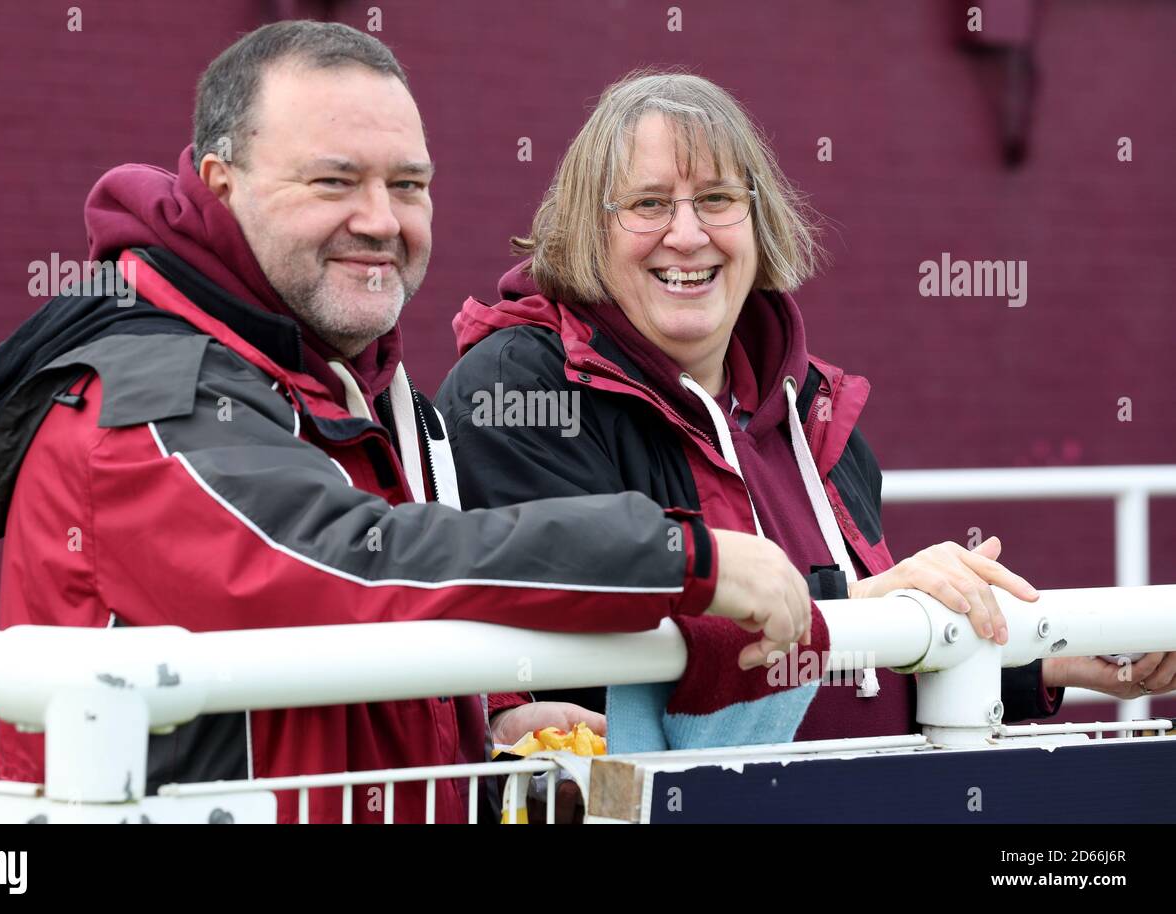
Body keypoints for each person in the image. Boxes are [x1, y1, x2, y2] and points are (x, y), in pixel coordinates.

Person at [0, 24, 816, 824]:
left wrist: (485, 715)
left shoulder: (366, 390)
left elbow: (378, 632)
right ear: (222, 185)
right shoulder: (142, 403)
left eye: (407, 184)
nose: (379, 219)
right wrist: (678, 556)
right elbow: (341, 564)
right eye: (334, 181)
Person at [435, 70, 1173, 744]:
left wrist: (1043, 653)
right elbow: (596, 610)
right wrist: (852, 602)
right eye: (648, 203)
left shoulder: (814, 409)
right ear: (589, 229)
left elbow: (858, 683)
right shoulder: (518, 386)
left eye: (717, 200)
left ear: (758, 225)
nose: (686, 235)